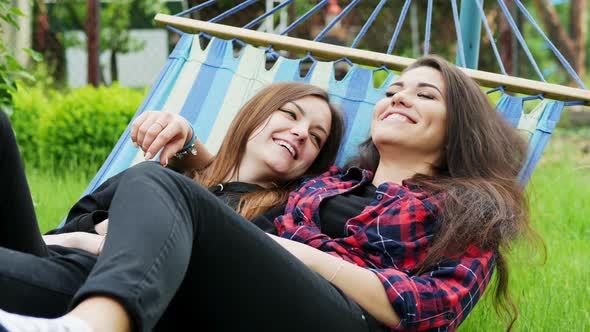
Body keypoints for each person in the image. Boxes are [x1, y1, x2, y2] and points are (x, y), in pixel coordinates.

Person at [0, 55, 532, 332]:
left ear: (459, 124)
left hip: (345, 319)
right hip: (240, 301)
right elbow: (234, 191)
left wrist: (295, 253)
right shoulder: (329, 183)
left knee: (155, 180)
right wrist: (186, 147)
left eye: (424, 92)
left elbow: (433, 311)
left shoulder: (468, 209)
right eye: (393, 89)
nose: (398, 96)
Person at [0, 82, 343, 328]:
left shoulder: (281, 218)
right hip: (48, 259)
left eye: (316, 137)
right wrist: (94, 235)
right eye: (290, 114)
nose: (300, 133)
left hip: (96, 291)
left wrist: (98, 238)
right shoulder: (162, 174)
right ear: (255, 115)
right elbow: (66, 227)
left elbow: (202, 277)